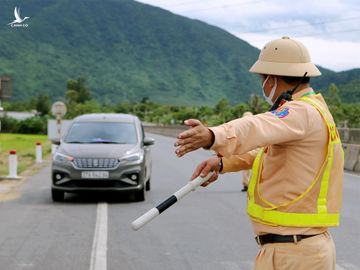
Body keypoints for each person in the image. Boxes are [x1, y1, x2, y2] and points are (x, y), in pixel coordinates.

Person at [174, 36, 344, 270]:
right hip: (291, 249)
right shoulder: (312, 110)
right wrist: (222, 164)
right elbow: (265, 152)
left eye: (263, 79)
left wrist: (214, 136)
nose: (263, 85)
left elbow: (255, 126)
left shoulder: (300, 112)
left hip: (296, 253)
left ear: (271, 78)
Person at [240, 111, 253, 192]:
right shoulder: (255, 124)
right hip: (255, 148)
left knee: (245, 169)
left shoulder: (242, 126)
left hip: (245, 149)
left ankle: (246, 184)